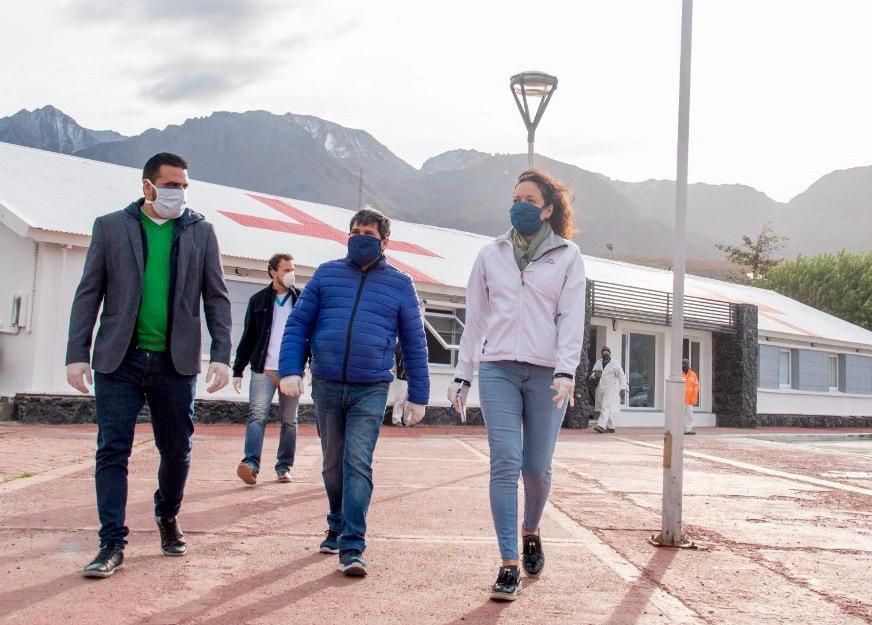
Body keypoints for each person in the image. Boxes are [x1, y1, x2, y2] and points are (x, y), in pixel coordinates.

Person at [65, 152, 231, 578]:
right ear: (148, 186)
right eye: (171, 185)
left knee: (176, 450)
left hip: (175, 362)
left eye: (184, 186)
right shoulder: (111, 227)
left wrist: (221, 355)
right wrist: (76, 353)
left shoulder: (201, 232)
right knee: (112, 450)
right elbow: (89, 293)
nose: (179, 193)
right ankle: (111, 543)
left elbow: (216, 296)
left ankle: (167, 514)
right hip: (118, 359)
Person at [447, 169, 586, 601]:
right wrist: (461, 374)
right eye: (515, 197)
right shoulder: (491, 254)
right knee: (505, 462)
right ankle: (508, 562)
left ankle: (531, 529)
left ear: (547, 209)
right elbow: (476, 319)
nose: (519, 205)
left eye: (528, 199)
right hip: (498, 369)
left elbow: (571, 318)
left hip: (548, 376)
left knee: (537, 470)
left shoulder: (568, 256)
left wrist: (566, 370)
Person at [278, 207, 430, 577]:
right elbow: (299, 324)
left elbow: (414, 341)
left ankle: (353, 546)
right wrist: (290, 370)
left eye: (368, 232)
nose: (360, 237)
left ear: (384, 241)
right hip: (327, 384)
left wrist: (419, 395)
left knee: (357, 462)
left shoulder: (400, 283)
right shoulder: (326, 275)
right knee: (332, 464)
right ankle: (336, 521)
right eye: (355, 230)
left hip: (371, 387)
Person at [232, 253, 302, 484]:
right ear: (273, 272)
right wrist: (238, 369)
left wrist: (310, 365)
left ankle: (284, 467)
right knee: (256, 417)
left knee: (289, 421)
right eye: (285, 269)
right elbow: (248, 337)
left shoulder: (301, 301)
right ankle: (251, 463)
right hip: (264, 370)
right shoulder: (258, 301)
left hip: (291, 371)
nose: (290, 274)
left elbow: (309, 336)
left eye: (292, 269)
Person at [590, 346, 627, 433]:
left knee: (605, 406)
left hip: (610, 387)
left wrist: (622, 388)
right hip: (600, 387)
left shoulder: (615, 363)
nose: (605, 354)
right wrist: (595, 375)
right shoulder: (598, 362)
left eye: (606, 353)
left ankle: (601, 425)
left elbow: (622, 376)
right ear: (601, 354)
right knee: (603, 407)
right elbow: (592, 373)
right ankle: (611, 426)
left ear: (609, 354)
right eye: (603, 353)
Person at [682, 358, 700, 435]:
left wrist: (694, 398)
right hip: (680, 400)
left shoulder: (693, 375)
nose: (685, 365)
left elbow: (696, 387)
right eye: (684, 364)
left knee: (689, 416)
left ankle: (687, 430)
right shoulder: (678, 374)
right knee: (680, 415)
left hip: (689, 400)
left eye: (687, 364)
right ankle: (678, 429)